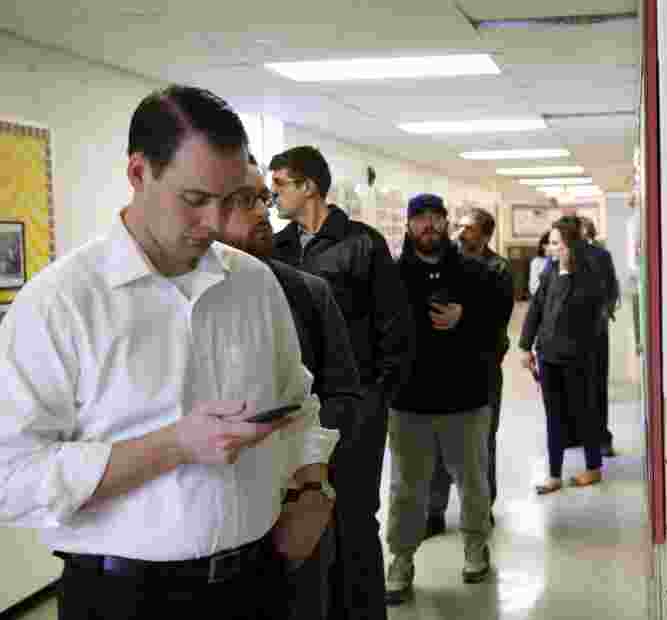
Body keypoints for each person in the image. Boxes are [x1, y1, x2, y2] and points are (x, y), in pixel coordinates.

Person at [0, 85, 337, 620]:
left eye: (233, 199)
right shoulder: (59, 304)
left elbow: (299, 403)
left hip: (258, 583)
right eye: (195, 199)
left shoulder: (254, 283)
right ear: (138, 173)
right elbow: (10, 477)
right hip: (125, 598)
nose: (217, 222)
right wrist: (175, 444)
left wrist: (313, 488)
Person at [270, 146, 413, 620]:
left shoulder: (363, 244)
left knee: (354, 516)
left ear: (308, 186)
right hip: (298, 411)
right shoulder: (277, 249)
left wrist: (375, 400)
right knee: (307, 518)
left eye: (280, 186)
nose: (273, 198)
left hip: (356, 407)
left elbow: (395, 328)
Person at [221, 154, 364, 620]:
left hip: (294, 508)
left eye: (264, 198)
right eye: (246, 201)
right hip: (212, 525)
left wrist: (309, 485)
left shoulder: (305, 291)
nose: (263, 211)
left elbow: (343, 393)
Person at [385, 194, 503, 605]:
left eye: (435, 217)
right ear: (409, 226)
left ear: (445, 222)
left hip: (465, 398)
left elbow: (496, 329)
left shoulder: (475, 272)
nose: (429, 225)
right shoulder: (392, 275)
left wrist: (464, 318)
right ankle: (400, 558)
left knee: (472, 480)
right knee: (405, 487)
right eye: (420, 218)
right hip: (409, 402)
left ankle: (475, 545)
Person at [424, 208, 514, 538]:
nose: (461, 233)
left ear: (486, 235)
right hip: (442, 369)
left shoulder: (499, 269)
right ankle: (433, 511)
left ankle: (479, 509)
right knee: (436, 442)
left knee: (480, 442)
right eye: (459, 226)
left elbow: (497, 318)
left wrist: (463, 316)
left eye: (469, 228)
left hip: (482, 369)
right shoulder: (442, 264)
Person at [519, 218, 606, 494]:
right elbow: (536, 309)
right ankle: (554, 475)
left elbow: (589, 317)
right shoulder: (550, 271)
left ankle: (593, 468)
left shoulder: (589, 275)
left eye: (556, 243)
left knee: (584, 413)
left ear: (570, 245)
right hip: (549, 356)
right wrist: (525, 347)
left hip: (577, 358)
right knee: (553, 415)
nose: (551, 248)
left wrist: (570, 272)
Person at [580, 216, 621, 457]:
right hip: (568, 334)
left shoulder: (600, 255)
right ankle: (577, 434)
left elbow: (612, 287)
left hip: (595, 330)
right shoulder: (562, 256)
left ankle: (601, 437)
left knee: (597, 384)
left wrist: (606, 310)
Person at [528, 231, 551, 297]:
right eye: (552, 243)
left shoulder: (559, 260)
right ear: (544, 245)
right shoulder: (536, 262)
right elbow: (533, 288)